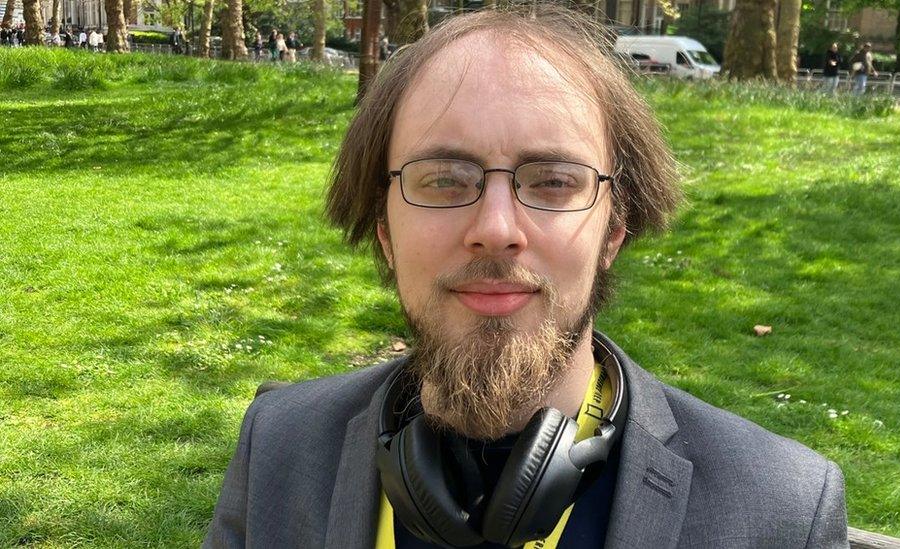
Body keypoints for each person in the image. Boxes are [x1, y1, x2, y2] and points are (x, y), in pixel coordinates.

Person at [204, 7, 849, 548]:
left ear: (614, 232)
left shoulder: (778, 511)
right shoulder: (280, 447)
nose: (496, 227)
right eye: (444, 179)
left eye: (553, 182)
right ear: (384, 232)